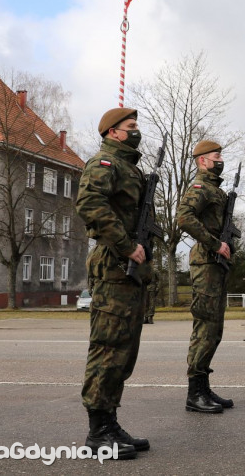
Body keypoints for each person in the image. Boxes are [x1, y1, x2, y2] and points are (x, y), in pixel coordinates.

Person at [75, 107, 150, 460]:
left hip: (127, 268)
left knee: (124, 348)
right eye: (131, 127)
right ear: (112, 133)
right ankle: (97, 431)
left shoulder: (127, 166)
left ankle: (110, 421)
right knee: (108, 346)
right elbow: (90, 203)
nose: (136, 131)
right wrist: (126, 245)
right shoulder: (104, 163)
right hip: (113, 263)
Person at [176, 139, 232, 413]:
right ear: (202, 161)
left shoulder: (215, 190)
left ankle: (204, 387)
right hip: (206, 262)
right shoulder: (199, 187)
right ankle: (194, 393)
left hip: (215, 264)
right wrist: (214, 243)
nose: (220, 159)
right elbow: (184, 218)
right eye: (216, 156)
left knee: (214, 329)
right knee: (205, 328)